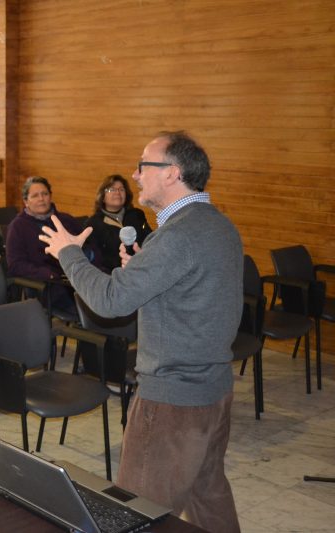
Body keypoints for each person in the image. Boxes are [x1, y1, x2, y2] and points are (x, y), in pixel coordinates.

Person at [39, 131, 242, 533]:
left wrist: (68, 253)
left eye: (144, 165)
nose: (135, 175)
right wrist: (142, 274)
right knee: (208, 495)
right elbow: (190, 297)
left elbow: (111, 301)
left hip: (173, 402)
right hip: (212, 391)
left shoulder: (178, 235)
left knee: (135, 514)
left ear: (172, 173)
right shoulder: (216, 225)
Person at [5, 176, 99, 315]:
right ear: (26, 201)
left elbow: (91, 248)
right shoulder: (17, 227)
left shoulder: (66, 220)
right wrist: (45, 273)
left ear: (50, 196)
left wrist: (89, 256)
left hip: (81, 277)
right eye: (35, 195)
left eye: (45, 194)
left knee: (108, 303)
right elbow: (15, 265)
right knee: (93, 312)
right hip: (50, 285)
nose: (41, 199)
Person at [86, 174, 152, 272]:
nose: (117, 192)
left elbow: (150, 239)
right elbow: (95, 260)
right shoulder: (93, 223)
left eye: (121, 189)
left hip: (142, 268)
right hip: (111, 275)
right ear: (102, 197)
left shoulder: (137, 215)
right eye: (112, 189)